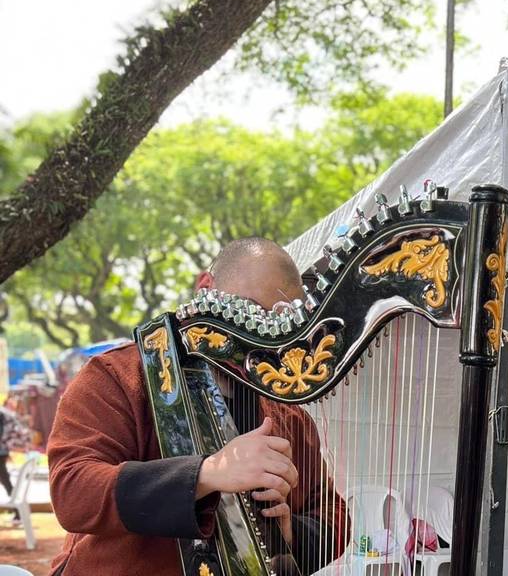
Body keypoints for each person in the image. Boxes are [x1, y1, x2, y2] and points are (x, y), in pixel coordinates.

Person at [47, 238, 349, 576]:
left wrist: (289, 529)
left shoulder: (287, 416)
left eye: (273, 327)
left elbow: (334, 514)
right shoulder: (118, 376)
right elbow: (73, 491)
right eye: (248, 311)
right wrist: (208, 473)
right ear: (205, 287)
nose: (256, 335)